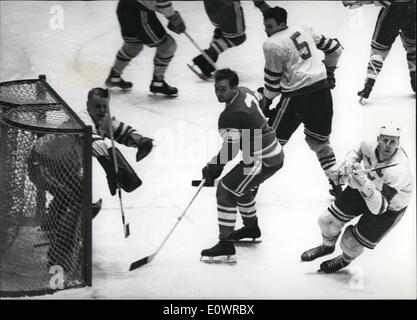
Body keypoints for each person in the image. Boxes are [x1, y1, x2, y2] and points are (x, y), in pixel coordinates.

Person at [301, 122, 414, 273]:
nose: (388, 145)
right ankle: (326, 247)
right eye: (385, 140)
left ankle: (344, 260)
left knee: (351, 243)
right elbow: (357, 152)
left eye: (393, 142)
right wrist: (347, 164)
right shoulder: (368, 142)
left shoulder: (399, 170)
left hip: (390, 204)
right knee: (327, 221)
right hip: (366, 184)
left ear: (398, 143)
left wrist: (364, 184)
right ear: (378, 139)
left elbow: (378, 208)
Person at [200, 69, 284, 263]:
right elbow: (262, 100)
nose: (218, 94)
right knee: (241, 187)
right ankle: (251, 228)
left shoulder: (230, 115)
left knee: (225, 189)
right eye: (216, 89)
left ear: (234, 87)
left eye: (223, 89)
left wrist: (214, 166)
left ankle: (226, 243)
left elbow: (231, 147)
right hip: (268, 151)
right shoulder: (245, 91)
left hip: (260, 158)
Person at [259, 6, 344, 197]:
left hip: (296, 99)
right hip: (322, 93)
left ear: (281, 24)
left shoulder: (271, 44)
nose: (266, 30)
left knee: (268, 143)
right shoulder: (303, 28)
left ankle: (248, 184)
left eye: (270, 26)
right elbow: (336, 49)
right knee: (320, 142)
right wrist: (329, 72)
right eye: (265, 26)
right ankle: (337, 183)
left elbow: (272, 87)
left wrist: (264, 100)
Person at [105, 0, 186, 96]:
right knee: (167, 45)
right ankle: (158, 83)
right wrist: (173, 17)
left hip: (124, 6)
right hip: (139, 11)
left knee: (133, 46)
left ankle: (115, 77)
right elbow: (162, 3)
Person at [84, 88, 153, 199]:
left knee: (78, 201)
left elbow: (116, 128)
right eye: (97, 106)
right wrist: (112, 169)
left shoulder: (101, 119)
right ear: (88, 104)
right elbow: (95, 144)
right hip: (51, 163)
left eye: (105, 106)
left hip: (68, 166)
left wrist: (139, 140)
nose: (102, 110)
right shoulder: (81, 119)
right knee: (78, 200)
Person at [342, 1, 416, 102]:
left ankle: (368, 86)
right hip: (413, 9)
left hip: (392, 11)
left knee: (378, 51)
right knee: (413, 47)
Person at [189, 0, 247, 79]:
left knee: (221, 30)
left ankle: (208, 59)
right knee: (238, 38)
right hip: (228, 6)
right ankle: (204, 59)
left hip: (212, 6)